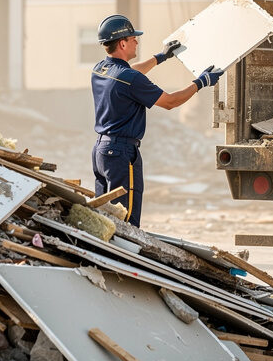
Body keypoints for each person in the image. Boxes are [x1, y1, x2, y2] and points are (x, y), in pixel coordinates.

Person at [91, 14, 222, 227]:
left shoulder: (100, 69)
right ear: (122, 43)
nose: (137, 41)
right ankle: (126, 258)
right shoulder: (130, 79)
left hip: (100, 151)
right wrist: (201, 82)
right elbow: (170, 102)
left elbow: (130, 72)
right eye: (133, 38)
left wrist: (161, 57)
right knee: (125, 220)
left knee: (106, 217)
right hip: (121, 153)